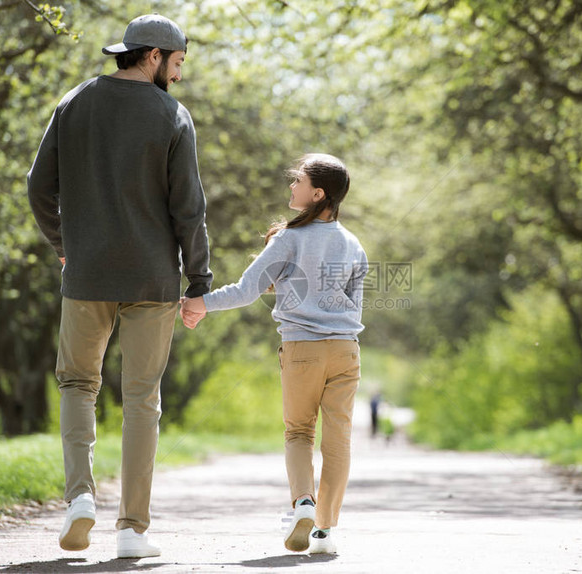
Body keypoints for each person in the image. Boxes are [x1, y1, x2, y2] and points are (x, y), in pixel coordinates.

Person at [27, 14, 211, 559]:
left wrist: (65, 244)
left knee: (78, 385)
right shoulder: (173, 116)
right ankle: (132, 530)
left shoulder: (75, 102)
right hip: (153, 280)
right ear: (153, 56)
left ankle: (79, 499)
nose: (177, 76)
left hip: (86, 275)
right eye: (176, 63)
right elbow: (189, 209)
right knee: (141, 399)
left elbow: (39, 186)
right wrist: (199, 278)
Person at [180, 153, 367, 554]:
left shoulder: (290, 239)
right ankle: (324, 532)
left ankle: (302, 504)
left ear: (318, 193)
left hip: (302, 349)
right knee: (339, 442)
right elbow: (352, 306)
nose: (291, 187)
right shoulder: (353, 244)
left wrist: (199, 304)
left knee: (299, 432)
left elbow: (247, 291)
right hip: (346, 352)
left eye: (297, 180)